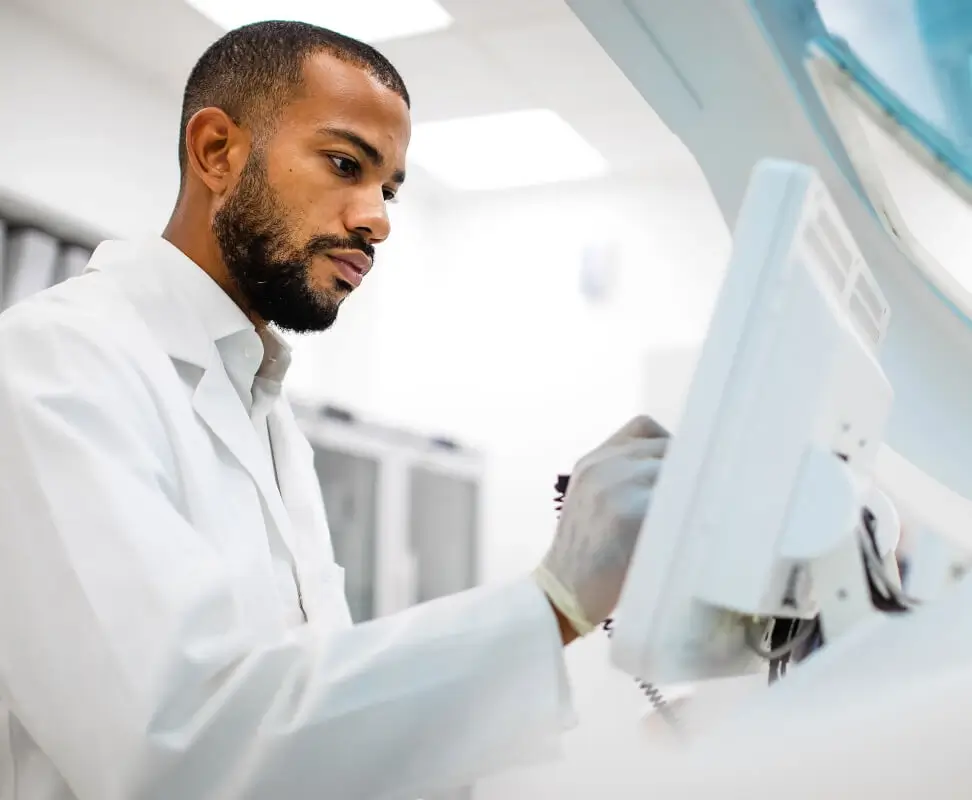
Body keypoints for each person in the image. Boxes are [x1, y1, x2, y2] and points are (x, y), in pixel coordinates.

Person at [0, 20, 670, 800]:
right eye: (346, 164)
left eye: (387, 189)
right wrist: (550, 605)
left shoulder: (268, 415)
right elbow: (178, 747)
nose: (377, 218)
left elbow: (309, 720)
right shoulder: (54, 365)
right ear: (217, 151)